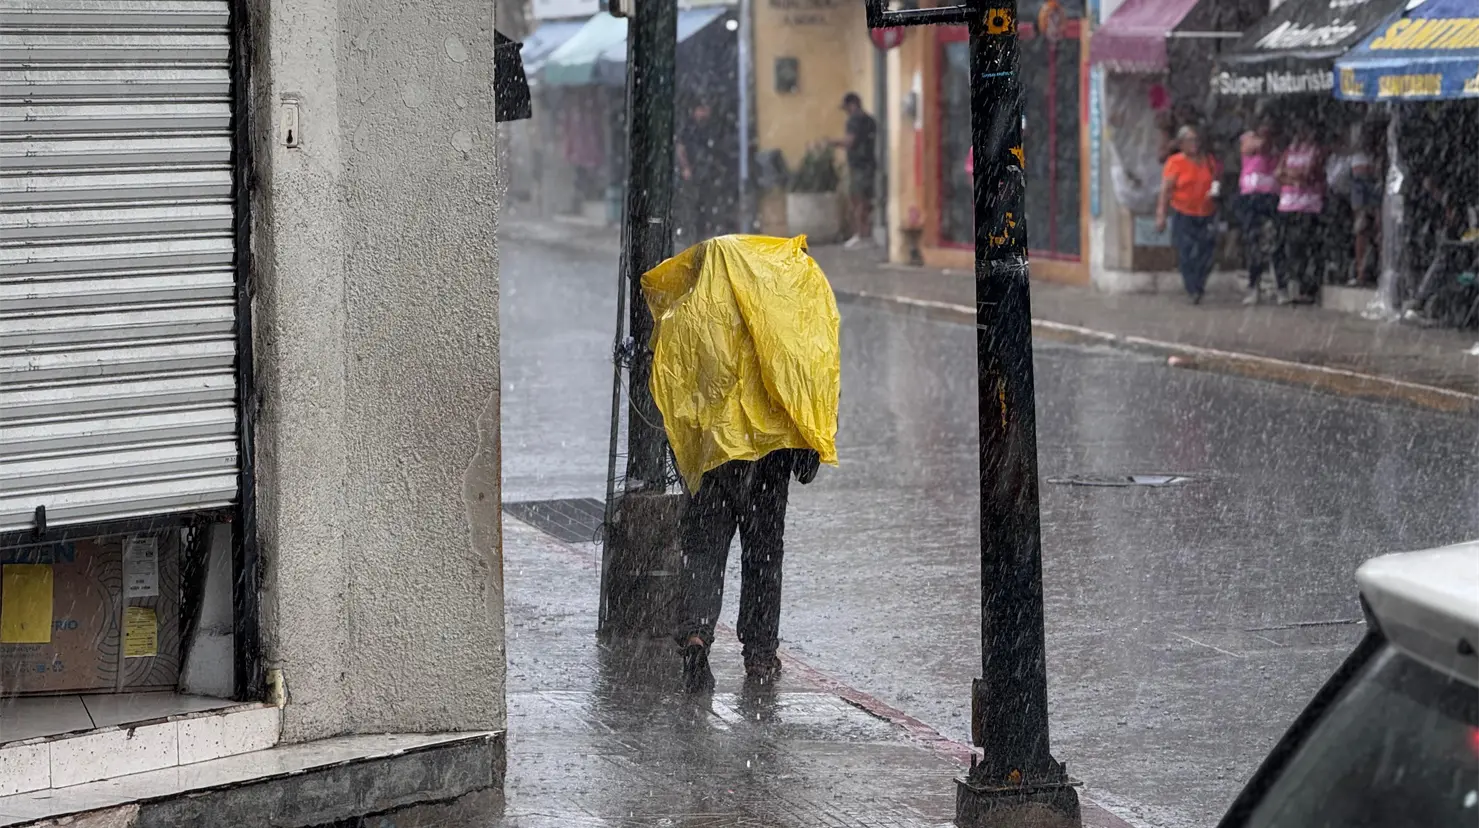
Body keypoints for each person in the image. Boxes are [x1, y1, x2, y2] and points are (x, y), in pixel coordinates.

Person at [678, 448, 820, 692]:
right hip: (768, 459)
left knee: (705, 554)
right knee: (763, 560)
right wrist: (806, 456)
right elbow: (801, 409)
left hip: (713, 452)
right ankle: (760, 654)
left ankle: (696, 637)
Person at [1156, 125, 1222, 304]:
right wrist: (1161, 214)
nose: (1194, 144)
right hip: (1184, 212)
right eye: (1190, 140)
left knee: (1206, 252)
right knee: (1186, 251)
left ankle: (1199, 284)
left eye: (1196, 140)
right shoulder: (1175, 163)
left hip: (1206, 212)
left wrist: (1215, 192)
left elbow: (1216, 180)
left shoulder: (1209, 161)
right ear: (1181, 144)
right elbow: (1166, 190)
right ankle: (1192, 288)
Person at [1275, 122, 1326, 303]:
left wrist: (1290, 175)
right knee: (1287, 246)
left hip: (1309, 206)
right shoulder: (1289, 150)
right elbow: (1278, 173)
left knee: (1305, 246)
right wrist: (1292, 177)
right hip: (1287, 204)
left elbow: (1308, 174)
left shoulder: (1315, 151)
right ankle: (1291, 285)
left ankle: (1306, 287)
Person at [1238, 116, 1283, 304]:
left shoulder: (1278, 144)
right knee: (1253, 241)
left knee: (1275, 241)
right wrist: (1265, 139)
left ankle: (1281, 286)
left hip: (1271, 196)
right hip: (1250, 195)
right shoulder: (1248, 138)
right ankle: (1253, 286)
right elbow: (1251, 147)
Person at [831, 92, 878, 249]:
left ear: (852, 105)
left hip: (858, 166)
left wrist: (832, 142)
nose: (846, 111)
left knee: (857, 199)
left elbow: (849, 142)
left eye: (846, 108)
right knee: (867, 200)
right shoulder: (870, 120)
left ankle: (860, 235)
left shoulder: (854, 120)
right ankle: (868, 234)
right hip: (870, 164)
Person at [677, 100, 720, 241]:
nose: (704, 113)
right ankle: (694, 235)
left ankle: (705, 234)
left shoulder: (710, 127)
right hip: (694, 172)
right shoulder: (690, 128)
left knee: (708, 205)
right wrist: (686, 167)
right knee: (694, 205)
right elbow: (681, 147)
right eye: (701, 109)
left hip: (708, 172)